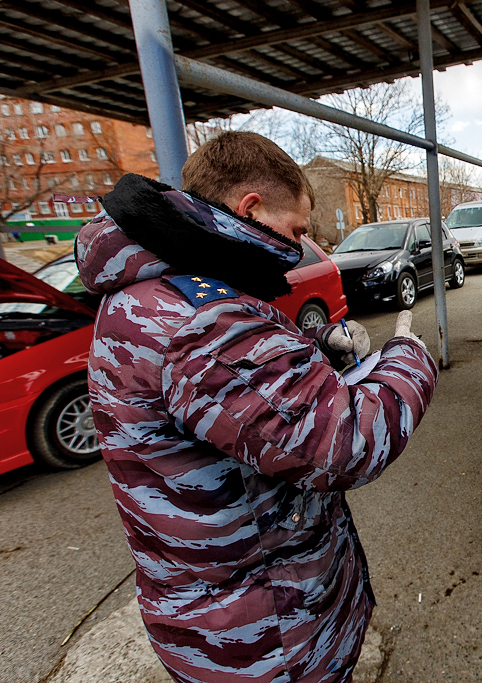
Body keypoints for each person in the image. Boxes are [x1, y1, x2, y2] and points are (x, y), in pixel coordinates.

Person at [77, 131, 438, 683]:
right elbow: (344, 445)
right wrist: (409, 359)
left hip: (221, 612)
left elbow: (236, 400)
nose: (299, 246)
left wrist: (313, 358)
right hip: (265, 637)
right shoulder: (202, 318)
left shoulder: (150, 291)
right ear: (250, 207)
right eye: (295, 230)